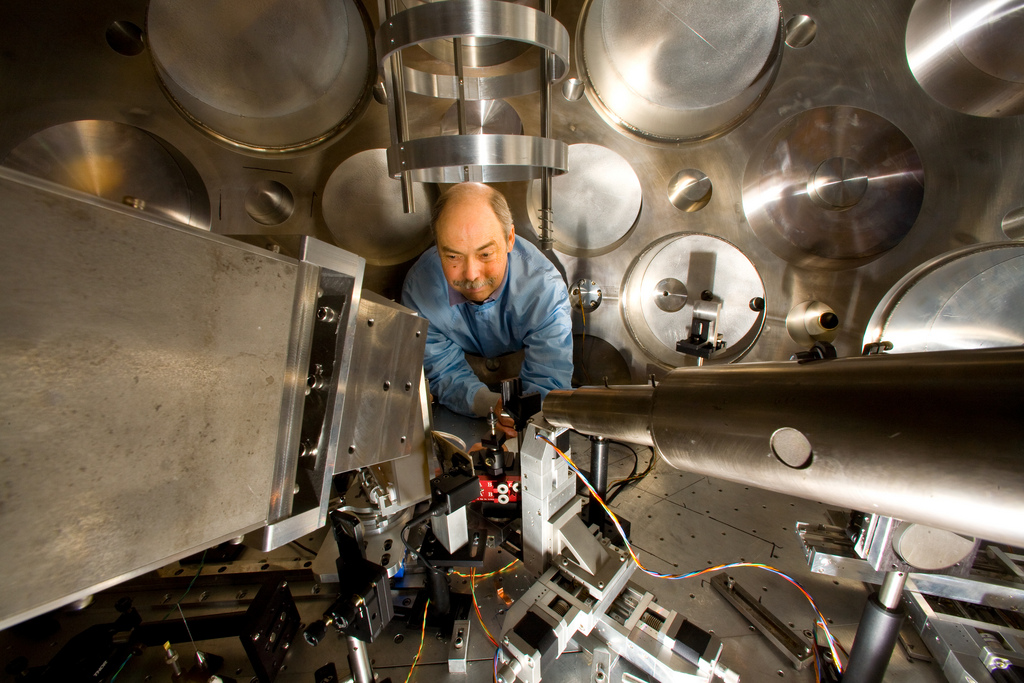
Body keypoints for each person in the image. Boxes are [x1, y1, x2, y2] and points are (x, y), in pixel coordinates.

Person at [402, 182, 573, 429]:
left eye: (485, 255)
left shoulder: (544, 289)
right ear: (437, 246)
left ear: (510, 239)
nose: (471, 275)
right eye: (453, 256)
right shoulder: (419, 289)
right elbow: (443, 371)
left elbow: (549, 381)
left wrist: (529, 422)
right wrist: (493, 406)